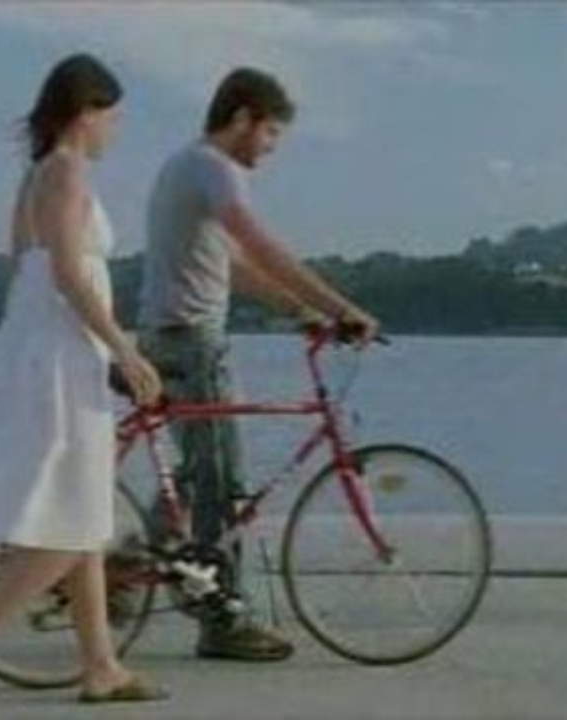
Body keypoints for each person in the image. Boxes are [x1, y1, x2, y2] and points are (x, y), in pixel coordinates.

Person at [0, 54, 167, 716]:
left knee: (84, 516)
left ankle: (101, 666)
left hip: (50, 351)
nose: (115, 129)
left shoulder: (37, 173)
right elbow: (66, 271)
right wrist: (123, 346)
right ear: (85, 112)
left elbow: (27, 266)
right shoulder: (65, 171)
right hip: (64, 358)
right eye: (111, 116)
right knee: (71, 526)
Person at [138, 67, 380, 662]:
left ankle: (131, 562)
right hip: (194, 342)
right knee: (222, 485)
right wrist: (342, 308)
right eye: (270, 132)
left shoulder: (183, 164)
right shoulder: (215, 168)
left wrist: (299, 310)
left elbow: (233, 268)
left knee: (195, 473)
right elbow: (262, 246)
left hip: (164, 337)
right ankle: (225, 622)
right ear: (242, 117)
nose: (271, 149)